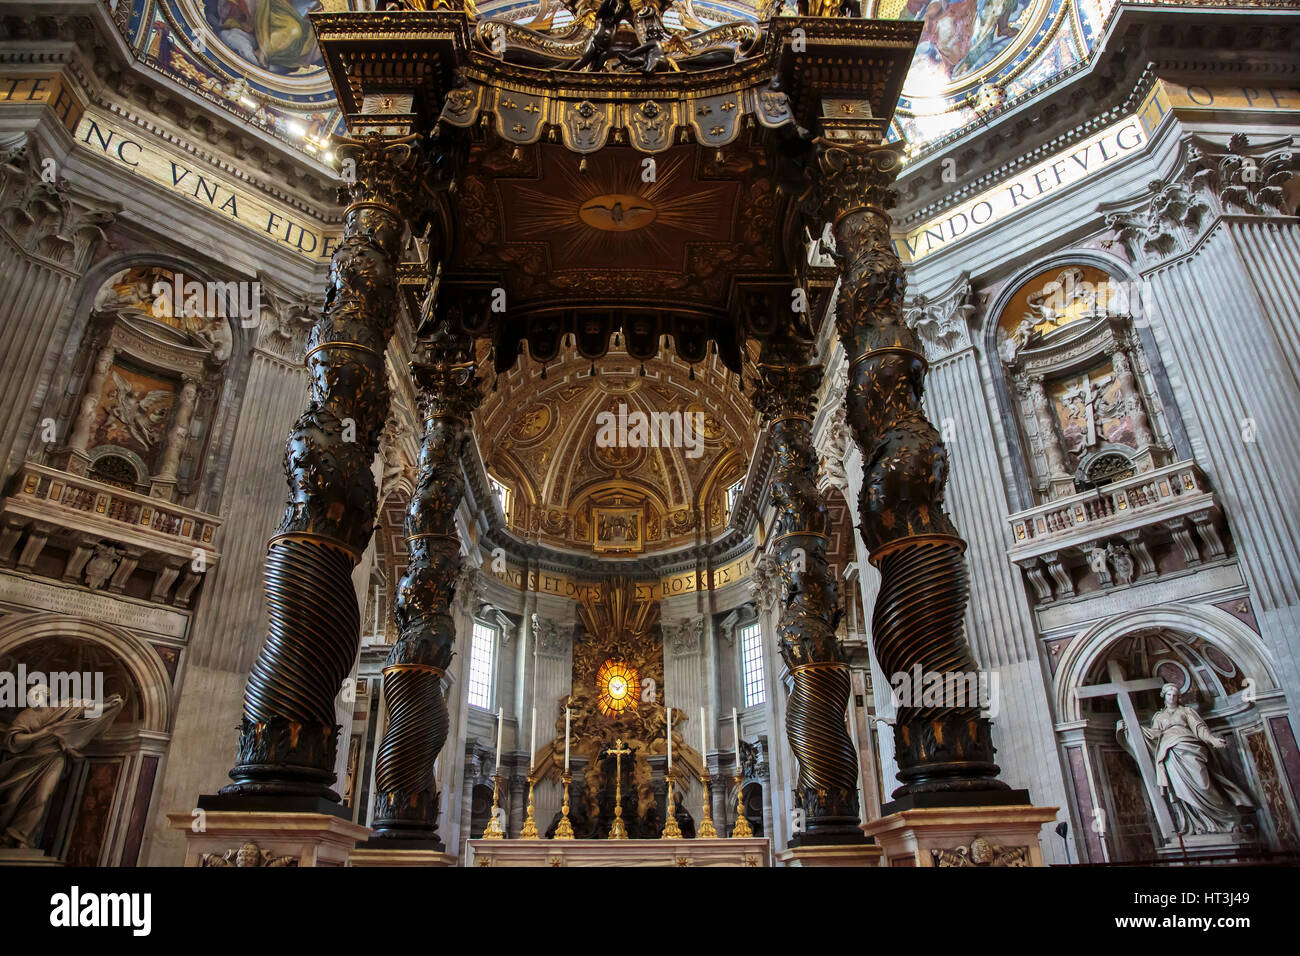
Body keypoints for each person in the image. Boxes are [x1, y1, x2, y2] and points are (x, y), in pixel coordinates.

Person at [1119, 683, 1254, 835]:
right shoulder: (1159, 716)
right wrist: (1130, 728)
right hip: (1170, 754)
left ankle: (1225, 819)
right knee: (1182, 790)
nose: (1172, 697)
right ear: (1164, 696)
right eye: (1169, 694)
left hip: (1190, 748)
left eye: (1175, 694)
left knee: (1203, 784)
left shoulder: (1186, 711)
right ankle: (1199, 824)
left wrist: (1212, 739)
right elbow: (1154, 735)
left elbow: (1199, 728)